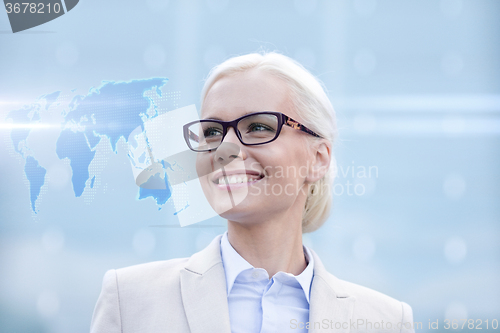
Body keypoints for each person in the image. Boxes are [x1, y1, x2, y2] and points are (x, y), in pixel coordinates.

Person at [90, 52, 415, 333]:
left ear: (318, 158)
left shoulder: (384, 322)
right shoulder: (130, 300)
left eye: (258, 127)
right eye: (213, 132)